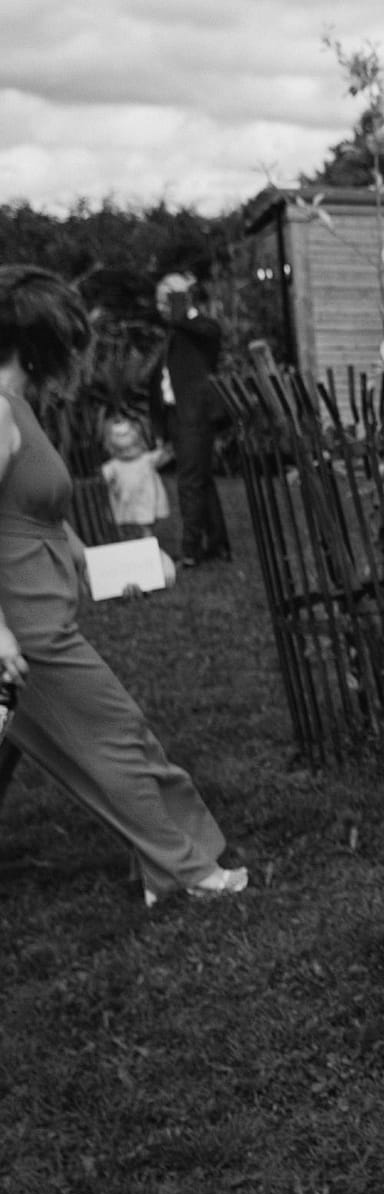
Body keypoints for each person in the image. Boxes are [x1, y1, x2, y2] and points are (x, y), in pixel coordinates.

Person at [0, 264, 246, 906]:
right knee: (116, 742)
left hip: (44, 615)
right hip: (24, 635)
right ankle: (191, 873)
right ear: (42, 344)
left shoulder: (17, 406)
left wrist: (111, 565)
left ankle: (170, 869)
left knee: (119, 737)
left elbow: (34, 512)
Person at [150, 272, 231, 566]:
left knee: (189, 483)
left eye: (164, 300)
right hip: (176, 414)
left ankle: (191, 549)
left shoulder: (200, 327)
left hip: (194, 416)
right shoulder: (176, 331)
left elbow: (211, 332)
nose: (159, 307)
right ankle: (218, 543)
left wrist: (179, 303)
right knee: (201, 480)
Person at [99, 413, 172, 541]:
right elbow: (102, 478)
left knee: (145, 531)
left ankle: (146, 550)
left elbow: (163, 456)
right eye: (123, 450)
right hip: (125, 505)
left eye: (130, 448)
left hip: (145, 504)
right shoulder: (114, 466)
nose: (128, 452)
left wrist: (167, 447)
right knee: (127, 533)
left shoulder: (146, 459)